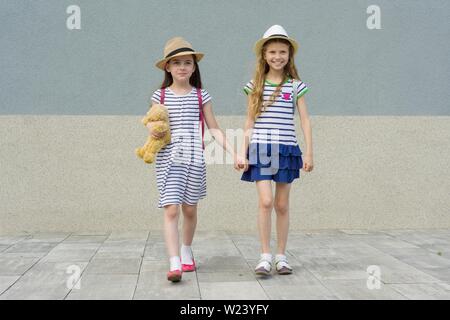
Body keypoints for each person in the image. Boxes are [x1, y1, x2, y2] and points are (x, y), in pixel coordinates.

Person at [148, 37, 241, 282]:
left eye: (187, 62)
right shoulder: (160, 96)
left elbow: (214, 129)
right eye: (176, 62)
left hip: (194, 160)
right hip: (168, 160)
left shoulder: (201, 96)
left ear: (194, 67)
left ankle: (186, 249)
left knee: (189, 209)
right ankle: (174, 262)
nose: (182, 67)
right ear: (167, 67)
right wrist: (153, 132)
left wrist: (234, 153)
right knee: (171, 210)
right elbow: (155, 125)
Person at [237, 25, 314, 276]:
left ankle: (281, 256)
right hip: (261, 148)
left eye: (282, 52)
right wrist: (242, 152)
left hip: (287, 149)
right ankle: (264, 256)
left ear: (289, 55)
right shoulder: (254, 86)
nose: (277, 56)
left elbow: (305, 121)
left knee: (282, 204)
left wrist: (309, 153)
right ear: (264, 55)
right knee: (266, 201)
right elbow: (249, 121)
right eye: (272, 52)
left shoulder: (296, 86)